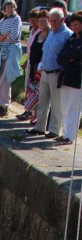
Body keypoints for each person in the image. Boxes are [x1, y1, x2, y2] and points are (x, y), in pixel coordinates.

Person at [26, 7, 72, 138]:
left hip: (57, 73)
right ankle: (39, 127)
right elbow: (46, 51)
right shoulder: (51, 33)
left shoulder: (67, 34)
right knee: (42, 102)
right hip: (45, 72)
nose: (53, 23)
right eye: (51, 21)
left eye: (56, 21)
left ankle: (54, 130)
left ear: (63, 20)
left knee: (56, 104)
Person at [56, 11, 82, 145]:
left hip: (77, 78)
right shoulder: (72, 38)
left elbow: (78, 54)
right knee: (64, 106)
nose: (74, 27)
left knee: (73, 107)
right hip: (66, 76)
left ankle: (70, 136)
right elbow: (61, 57)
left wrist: (70, 56)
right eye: (72, 25)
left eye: (77, 24)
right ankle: (65, 133)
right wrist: (70, 57)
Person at [0, 0, 22, 117]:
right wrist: (1, 37)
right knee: (0, 77)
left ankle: (4, 105)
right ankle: (0, 104)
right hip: (3, 51)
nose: (9, 9)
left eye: (11, 7)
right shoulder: (3, 20)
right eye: (7, 7)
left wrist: (2, 37)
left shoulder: (17, 19)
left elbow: (14, 35)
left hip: (12, 50)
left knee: (6, 78)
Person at [20, 10, 49, 123]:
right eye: (31, 20)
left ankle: (37, 116)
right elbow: (31, 49)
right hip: (32, 65)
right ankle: (31, 112)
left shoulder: (46, 33)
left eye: (36, 20)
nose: (33, 22)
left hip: (40, 67)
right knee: (31, 89)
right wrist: (27, 61)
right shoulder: (35, 32)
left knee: (39, 92)